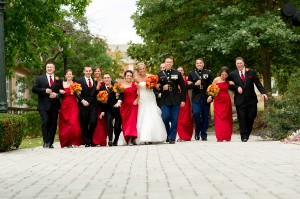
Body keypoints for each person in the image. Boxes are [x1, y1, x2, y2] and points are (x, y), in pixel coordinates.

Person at [229, 57, 268, 142]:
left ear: (243, 63)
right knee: (242, 118)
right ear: (236, 64)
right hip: (240, 100)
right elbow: (229, 85)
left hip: (251, 99)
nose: (239, 65)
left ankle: (248, 132)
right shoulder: (232, 74)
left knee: (251, 116)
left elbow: (257, 83)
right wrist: (236, 87)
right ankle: (244, 136)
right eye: (237, 63)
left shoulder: (251, 72)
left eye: (240, 63)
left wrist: (263, 92)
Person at [32, 60, 63, 148]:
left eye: (51, 67)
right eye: (47, 67)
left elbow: (62, 92)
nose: (49, 68)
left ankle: (50, 142)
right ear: (46, 68)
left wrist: (56, 95)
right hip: (43, 105)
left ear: (54, 69)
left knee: (53, 124)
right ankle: (45, 141)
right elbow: (34, 89)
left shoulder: (58, 79)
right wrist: (44, 90)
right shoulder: (39, 78)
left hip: (54, 105)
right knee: (45, 122)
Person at [136, 63, 167, 144]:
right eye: (140, 69)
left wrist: (155, 85)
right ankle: (144, 137)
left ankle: (154, 136)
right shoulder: (136, 79)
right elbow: (136, 90)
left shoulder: (151, 76)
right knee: (143, 115)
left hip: (151, 97)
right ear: (138, 71)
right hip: (142, 98)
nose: (142, 70)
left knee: (152, 114)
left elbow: (157, 86)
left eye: (143, 68)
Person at [157, 57, 186, 144]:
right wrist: (162, 87)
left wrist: (183, 100)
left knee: (174, 119)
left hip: (175, 98)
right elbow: (156, 87)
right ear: (164, 63)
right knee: (165, 117)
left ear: (172, 63)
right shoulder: (160, 74)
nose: (168, 63)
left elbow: (183, 88)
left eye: (170, 62)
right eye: (167, 62)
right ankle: (169, 134)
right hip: (165, 99)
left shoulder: (177, 73)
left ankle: (172, 138)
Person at [187, 58, 213, 141]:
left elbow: (212, 85)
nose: (199, 64)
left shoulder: (208, 72)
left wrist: (211, 96)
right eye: (197, 63)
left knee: (205, 116)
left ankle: (203, 134)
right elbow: (188, 86)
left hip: (205, 97)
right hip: (196, 97)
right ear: (195, 64)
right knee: (196, 113)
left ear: (203, 64)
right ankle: (197, 131)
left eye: (200, 63)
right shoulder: (191, 73)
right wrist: (195, 84)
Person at [58, 69, 83, 147]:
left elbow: (79, 95)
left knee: (74, 122)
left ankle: (74, 141)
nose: (69, 75)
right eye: (67, 74)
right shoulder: (62, 83)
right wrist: (60, 91)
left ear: (72, 75)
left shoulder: (75, 84)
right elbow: (57, 91)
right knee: (65, 123)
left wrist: (78, 92)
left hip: (73, 104)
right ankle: (67, 142)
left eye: (70, 74)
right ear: (65, 75)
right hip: (65, 105)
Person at [209, 66, 233, 142]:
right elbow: (212, 90)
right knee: (219, 118)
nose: (224, 76)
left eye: (226, 75)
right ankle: (220, 136)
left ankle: (227, 136)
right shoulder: (216, 79)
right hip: (218, 101)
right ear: (220, 73)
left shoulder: (228, 80)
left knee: (227, 117)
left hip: (226, 100)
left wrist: (231, 83)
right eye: (223, 75)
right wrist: (210, 97)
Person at [76, 66, 98, 147]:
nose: (88, 72)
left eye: (89, 71)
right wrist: (82, 100)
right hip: (83, 104)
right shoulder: (79, 81)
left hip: (93, 105)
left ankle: (90, 137)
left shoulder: (95, 81)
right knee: (84, 123)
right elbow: (76, 92)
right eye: (86, 71)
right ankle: (87, 142)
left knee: (93, 122)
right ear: (84, 72)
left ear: (91, 72)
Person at [99, 73, 123, 146]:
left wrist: (119, 101)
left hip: (117, 108)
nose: (107, 79)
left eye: (108, 77)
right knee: (109, 121)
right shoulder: (102, 88)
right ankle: (110, 139)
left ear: (110, 78)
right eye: (105, 78)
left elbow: (122, 94)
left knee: (117, 127)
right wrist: (102, 111)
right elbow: (101, 101)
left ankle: (115, 140)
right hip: (108, 109)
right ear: (103, 79)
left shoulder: (116, 85)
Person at [120, 70, 138, 145]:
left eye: (130, 76)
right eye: (128, 76)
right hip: (125, 107)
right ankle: (128, 138)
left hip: (133, 105)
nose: (129, 77)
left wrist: (136, 100)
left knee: (132, 122)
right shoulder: (121, 86)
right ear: (125, 77)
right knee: (126, 123)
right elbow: (119, 96)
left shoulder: (135, 84)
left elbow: (139, 94)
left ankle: (131, 139)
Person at [176, 66, 193, 141]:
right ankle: (181, 136)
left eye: (181, 70)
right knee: (179, 118)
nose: (180, 71)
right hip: (176, 99)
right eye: (178, 70)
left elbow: (192, 86)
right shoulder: (174, 79)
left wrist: (191, 84)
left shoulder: (187, 78)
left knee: (186, 118)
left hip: (185, 99)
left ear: (183, 71)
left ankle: (187, 135)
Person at [92, 66, 108, 146]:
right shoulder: (91, 81)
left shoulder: (103, 81)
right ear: (93, 72)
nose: (97, 72)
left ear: (100, 72)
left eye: (98, 71)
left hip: (102, 104)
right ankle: (95, 141)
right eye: (95, 71)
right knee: (95, 122)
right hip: (94, 104)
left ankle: (102, 140)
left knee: (102, 123)